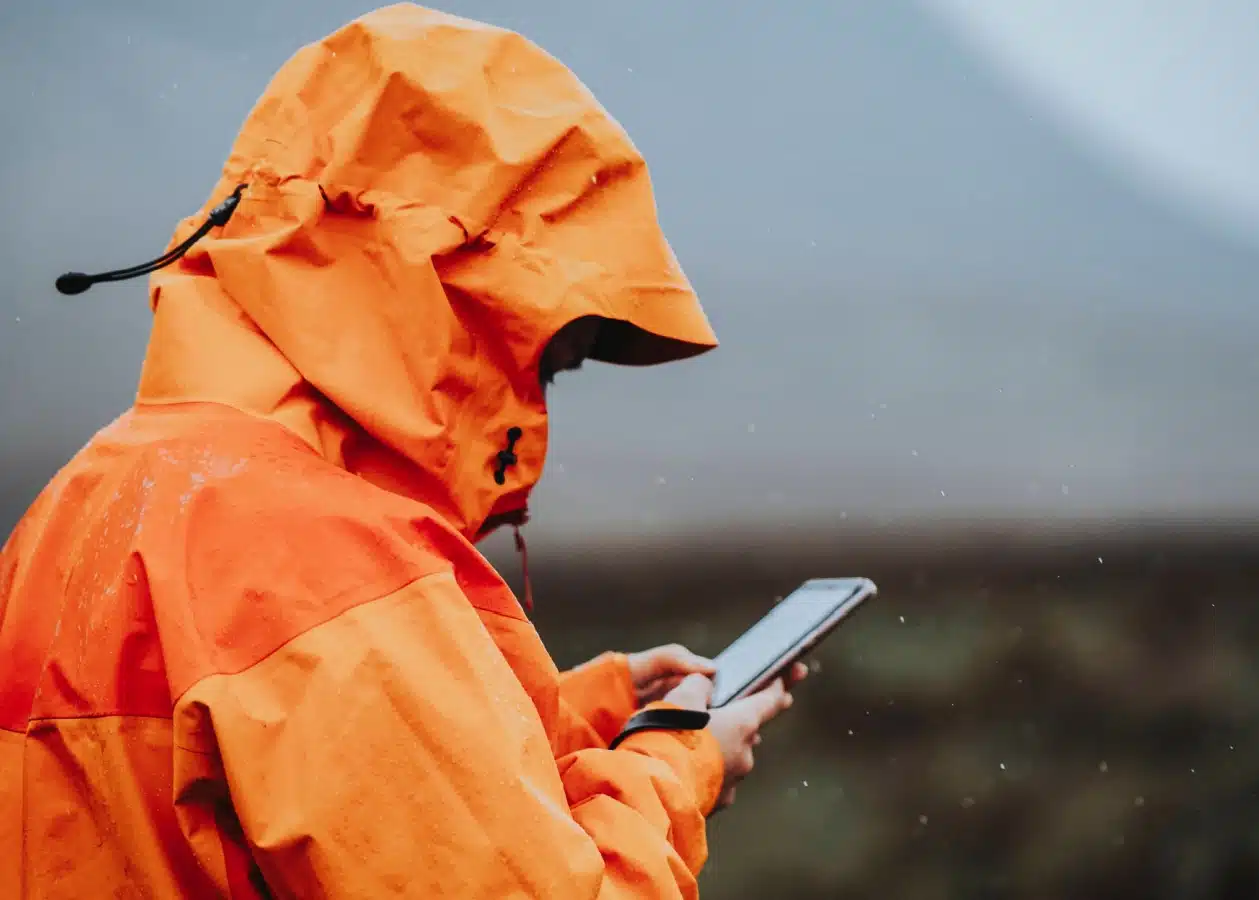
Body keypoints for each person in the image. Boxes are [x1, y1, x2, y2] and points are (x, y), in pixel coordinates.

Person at [0, 5, 803, 897]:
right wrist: (676, 770)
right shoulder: (319, 558)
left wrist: (588, 713)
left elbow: (269, 773)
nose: (535, 406)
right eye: (549, 358)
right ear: (456, 310)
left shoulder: (94, 490)